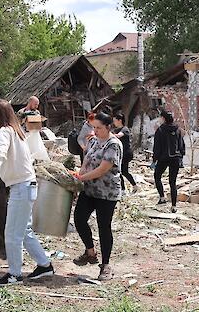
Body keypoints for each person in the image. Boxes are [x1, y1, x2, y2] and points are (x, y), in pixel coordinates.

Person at [0, 99, 53, 286]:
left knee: (12, 234)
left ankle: (15, 275)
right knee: (25, 231)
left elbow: (0, 153)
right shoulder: (17, 132)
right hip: (27, 185)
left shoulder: (5, 132)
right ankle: (45, 265)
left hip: (21, 188)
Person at [72, 112, 122, 281]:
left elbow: (103, 169)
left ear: (108, 127)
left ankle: (106, 265)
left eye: (99, 128)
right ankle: (90, 252)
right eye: (94, 127)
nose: (96, 131)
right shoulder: (93, 140)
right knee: (79, 218)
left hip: (107, 192)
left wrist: (81, 178)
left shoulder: (113, 144)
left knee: (103, 227)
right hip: (90, 190)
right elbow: (86, 161)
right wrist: (80, 174)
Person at [153, 110, 186, 213]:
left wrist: (154, 160)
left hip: (163, 158)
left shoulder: (160, 130)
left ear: (163, 118)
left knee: (157, 176)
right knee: (173, 182)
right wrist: (181, 156)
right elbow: (181, 145)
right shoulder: (178, 130)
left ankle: (162, 198)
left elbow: (157, 147)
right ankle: (174, 206)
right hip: (175, 158)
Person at [113, 113, 137, 194]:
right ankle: (127, 188)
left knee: (122, 171)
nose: (114, 122)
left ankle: (126, 189)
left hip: (126, 154)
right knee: (121, 171)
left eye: (115, 121)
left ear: (120, 120)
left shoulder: (125, 129)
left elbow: (119, 136)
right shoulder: (115, 130)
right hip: (119, 154)